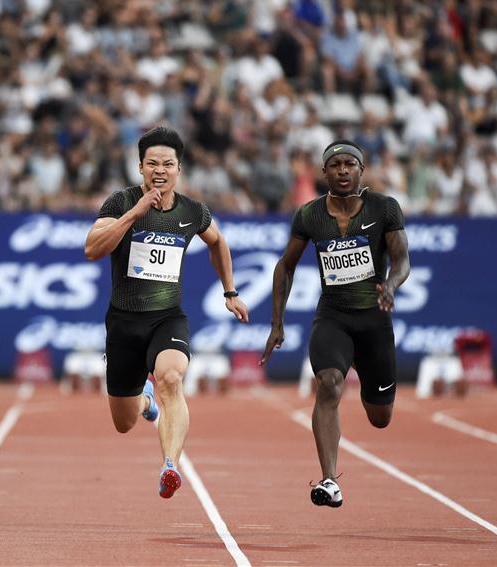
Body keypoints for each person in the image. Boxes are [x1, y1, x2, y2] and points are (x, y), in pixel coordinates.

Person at [84, 126, 249, 499]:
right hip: (124, 322)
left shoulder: (192, 212)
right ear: (140, 167)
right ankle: (145, 400)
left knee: (172, 378)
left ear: (179, 169)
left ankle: (170, 465)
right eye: (153, 163)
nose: (160, 170)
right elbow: (92, 249)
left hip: (167, 318)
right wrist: (135, 214)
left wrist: (230, 291)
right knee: (124, 423)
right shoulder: (120, 202)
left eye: (168, 164)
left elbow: (218, 241)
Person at [260, 139, 410, 508]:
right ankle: (329, 479)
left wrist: (389, 285)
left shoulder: (384, 208)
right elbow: (285, 266)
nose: (342, 170)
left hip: (374, 321)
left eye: (349, 164)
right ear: (323, 172)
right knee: (328, 385)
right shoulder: (309, 215)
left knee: (380, 417)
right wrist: (277, 323)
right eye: (335, 165)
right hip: (333, 317)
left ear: (361, 171)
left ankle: (363, 366)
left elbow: (402, 259)